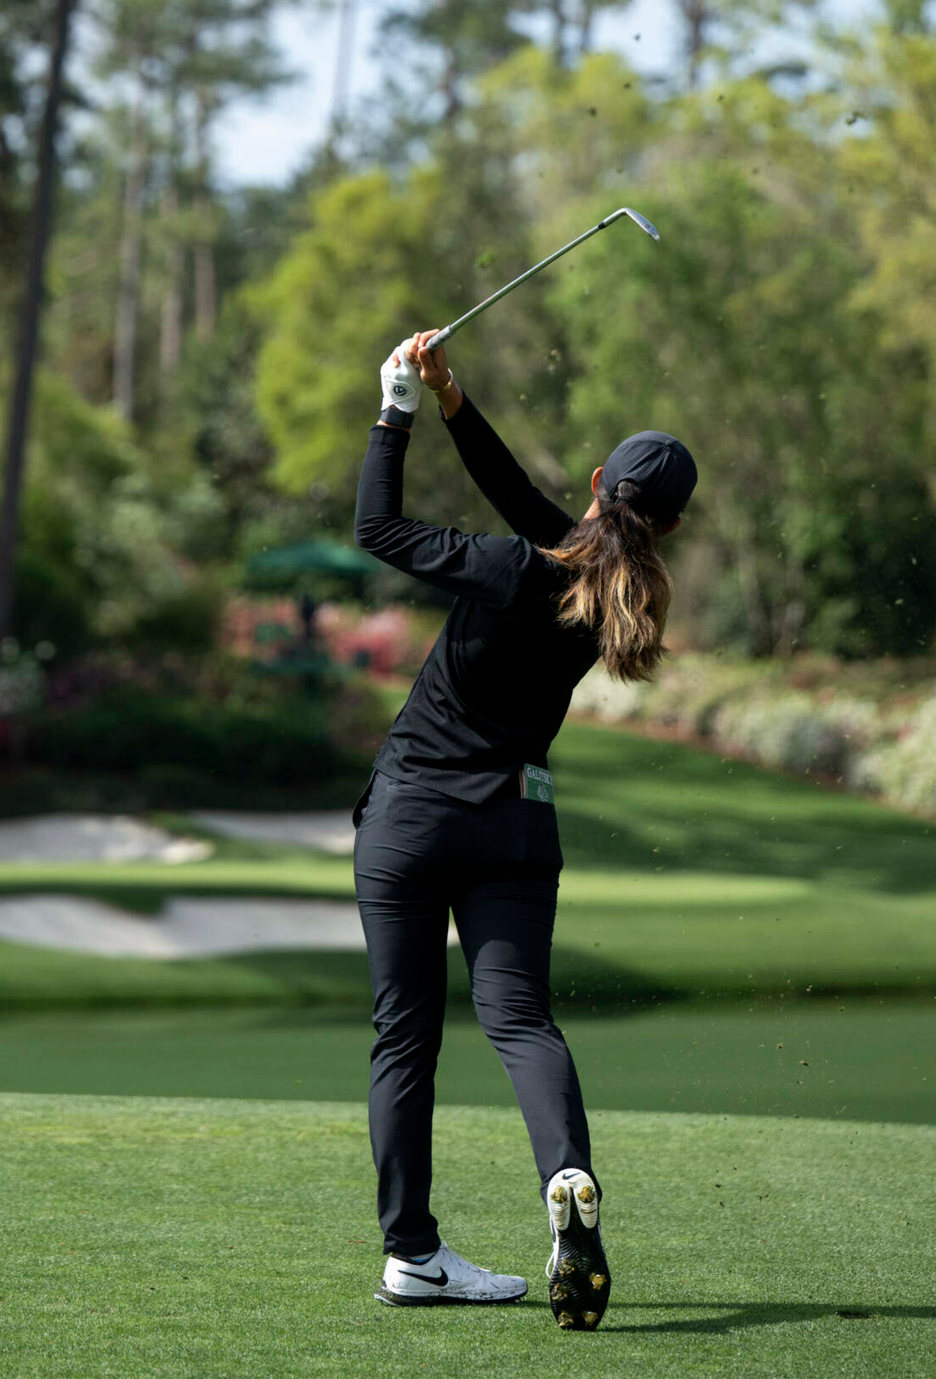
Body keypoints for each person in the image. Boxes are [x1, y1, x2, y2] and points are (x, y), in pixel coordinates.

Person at [352, 330, 697, 1326]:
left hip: (410, 819)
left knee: (404, 1039)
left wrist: (395, 413)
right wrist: (451, 399)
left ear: (595, 483)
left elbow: (377, 529)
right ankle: (565, 1173)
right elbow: (537, 512)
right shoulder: (615, 598)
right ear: (670, 526)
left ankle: (412, 1255)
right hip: (513, 826)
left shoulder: (509, 567)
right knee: (520, 1021)